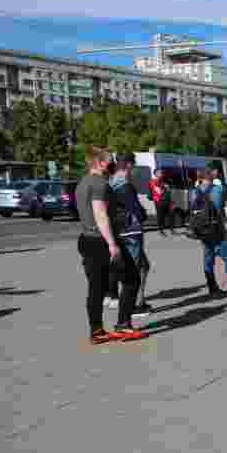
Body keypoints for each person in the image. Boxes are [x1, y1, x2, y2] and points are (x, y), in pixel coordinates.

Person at [75, 146, 146, 343]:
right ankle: (123, 325)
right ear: (99, 162)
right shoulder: (99, 184)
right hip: (102, 241)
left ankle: (97, 331)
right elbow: (100, 214)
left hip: (87, 239)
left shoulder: (83, 182)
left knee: (96, 288)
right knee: (132, 279)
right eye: (109, 160)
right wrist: (112, 244)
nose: (112, 163)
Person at [110, 152, 152, 317]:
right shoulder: (124, 184)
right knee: (134, 270)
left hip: (121, 230)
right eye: (133, 165)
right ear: (128, 165)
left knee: (143, 266)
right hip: (130, 231)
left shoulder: (112, 182)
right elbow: (135, 209)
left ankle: (139, 302)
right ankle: (132, 307)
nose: (134, 169)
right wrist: (143, 213)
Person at [193, 169, 227, 299]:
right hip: (218, 229)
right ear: (212, 176)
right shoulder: (219, 189)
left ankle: (212, 287)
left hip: (203, 230)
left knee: (208, 260)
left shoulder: (195, 191)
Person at [149, 168, 174, 235]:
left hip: (167, 200)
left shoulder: (163, 181)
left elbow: (169, 191)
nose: (162, 174)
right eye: (160, 173)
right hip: (159, 201)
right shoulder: (153, 181)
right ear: (156, 174)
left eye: (162, 173)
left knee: (170, 215)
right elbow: (159, 192)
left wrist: (166, 188)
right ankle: (161, 230)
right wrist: (165, 187)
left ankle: (171, 229)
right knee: (161, 216)